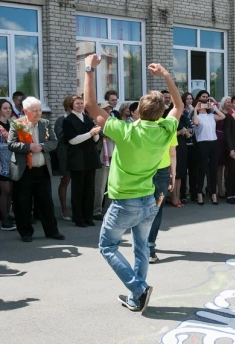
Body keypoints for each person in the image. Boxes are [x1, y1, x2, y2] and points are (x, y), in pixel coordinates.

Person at [84, 54, 183, 313]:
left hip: (125, 202)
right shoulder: (165, 130)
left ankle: (139, 289)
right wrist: (165, 76)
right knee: (141, 249)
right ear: (161, 113)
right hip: (148, 200)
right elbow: (179, 106)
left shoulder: (124, 130)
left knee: (107, 246)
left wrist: (89, 69)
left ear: (137, 110)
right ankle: (135, 297)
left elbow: (89, 105)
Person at [8, 97, 65, 243]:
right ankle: (26, 232)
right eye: (35, 111)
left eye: (40, 110)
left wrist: (41, 146)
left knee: (46, 202)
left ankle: (52, 231)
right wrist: (28, 147)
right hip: (24, 170)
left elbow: (54, 142)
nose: (39, 113)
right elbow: (11, 144)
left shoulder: (45, 124)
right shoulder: (17, 124)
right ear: (25, 111)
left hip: (42, 169)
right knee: (23, 203)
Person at [63, 95, 101, 227]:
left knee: (90, 189)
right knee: (78, 190)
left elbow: (95, 141)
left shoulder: (87, 118)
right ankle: (78, 218)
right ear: (71, 105)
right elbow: (72, 140)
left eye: (81, 103)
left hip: (90, 158)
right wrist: (90, 134)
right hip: (77, 159)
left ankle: (88, 217)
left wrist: (96, 133)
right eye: (77, 103)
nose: (80, 105)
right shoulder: (68, 120)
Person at [147, 127, 177, 263]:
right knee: (156, 210)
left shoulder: (137, 125)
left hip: (142, 172)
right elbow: (172, 153)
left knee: (143, 209)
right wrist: (173, 174)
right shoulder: (168, 127)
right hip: (161, 173)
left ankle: (145, 246)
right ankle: (149, 247)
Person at [192, 91, 226, 205]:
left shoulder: (211, 115)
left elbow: (223, 116)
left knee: (213, 170)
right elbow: (195, 122)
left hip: (214, 143)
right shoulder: (197, 116)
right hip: (202, 144)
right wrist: (196, 109)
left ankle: (213, 194)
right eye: (202, 104)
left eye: (205, 103)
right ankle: (199, 193)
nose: (204, 105)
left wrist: (214, 107)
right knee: (201, 170)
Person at [0, 99, 17, 231]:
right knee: (5, 190)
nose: (8, 110)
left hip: (13, 159)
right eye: (5, 108)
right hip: (1, 161)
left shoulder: (13, 123)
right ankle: (3, 220)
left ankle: (8, 214)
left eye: (10, 108)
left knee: (11, 190)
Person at [93, 102, 115, 221]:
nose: (108, 111)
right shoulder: (96, 122)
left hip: (113, 156)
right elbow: (104, 133)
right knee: (100, 186)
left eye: (109, 109)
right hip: (102, 157)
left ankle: (109, 210)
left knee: (111, 185)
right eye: (105, 109)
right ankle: (97, 211)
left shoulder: (112, 121)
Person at [55, 96, 73, 221]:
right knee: (65, 181)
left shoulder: (82, 118)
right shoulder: (61, 120)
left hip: (78, 155)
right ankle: (64, 208)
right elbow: (61, 138)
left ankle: (77, 207)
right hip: (65, 154)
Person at [216, 97, 232, 198]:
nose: (229, 104)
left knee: (228, 167)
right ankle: (220, 189)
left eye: (231, 102)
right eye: (228, 102)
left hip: (229, 141)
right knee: (220, 167)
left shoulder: (232, 114)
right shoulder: (219, 113)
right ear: (223, 103)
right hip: (220, 140)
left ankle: (227, 187)